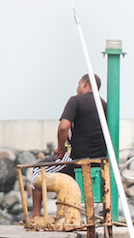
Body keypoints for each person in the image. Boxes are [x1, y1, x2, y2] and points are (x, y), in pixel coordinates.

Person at [31, 75, 110, 219]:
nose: (77, 87)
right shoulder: (104, 105)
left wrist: (60, 148)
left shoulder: (75, 100)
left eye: (78, 84)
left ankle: (35, 214)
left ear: (85, 84)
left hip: (77, 159)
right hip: (100, 161)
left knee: (38, 170)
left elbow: (64, 127)